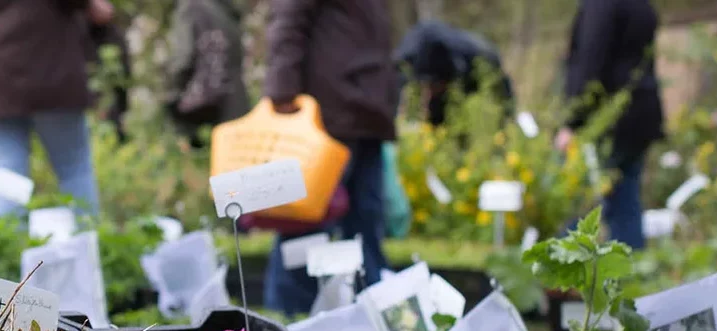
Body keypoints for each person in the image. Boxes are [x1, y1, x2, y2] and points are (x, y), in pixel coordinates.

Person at [263, 0, 399, 315]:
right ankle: (287, 319)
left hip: (367, 113)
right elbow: (288, 17)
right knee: (306, 219)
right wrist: (283, 91)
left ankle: (370, 317)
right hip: (327, 114)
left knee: (367, 219)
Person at [0, 0, 113, 217]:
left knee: (8, 168)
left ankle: (8, 246)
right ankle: (87, 243)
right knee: (73, 168)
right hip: (48, 61)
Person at [556, 0, 664, 249]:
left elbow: (590, 62)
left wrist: (573, 122)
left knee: (577, 202)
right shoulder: (642, 5)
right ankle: (631, 275)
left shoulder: (601, 5)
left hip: (605, 120)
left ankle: (565, 276)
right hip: (639, 115)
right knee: (626, 204)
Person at [394, 21, 512, 127]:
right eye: (429, 85)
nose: (431, 90)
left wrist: (508, 118)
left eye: (435, 85)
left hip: (469, 66)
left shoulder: (478, 56)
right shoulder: (407, 55)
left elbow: (504, 93)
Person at [165, 0, 249, 145]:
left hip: (205, 103)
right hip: (236, 100)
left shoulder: (190, 7)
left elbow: (184, 57)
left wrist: (174, 92)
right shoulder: (225, 8)